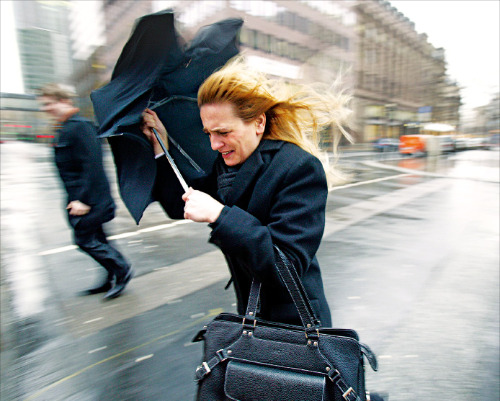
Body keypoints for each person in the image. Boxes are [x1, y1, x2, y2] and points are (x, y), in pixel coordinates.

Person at [141, 58, 352, 326]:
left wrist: (220, 215)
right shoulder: (227, 165)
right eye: (208, 133)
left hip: (296, 325)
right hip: (252, 315)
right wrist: (161, 146)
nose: (215, 144)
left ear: (258, 123)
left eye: (223, 132)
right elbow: (178, 203)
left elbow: (285, 265)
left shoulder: (299, 168)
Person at [38, 83, 133, 300]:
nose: (46, 109)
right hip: (80, 198)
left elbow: (93, 166)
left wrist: (83, 200)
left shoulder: (80, 127)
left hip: (90, 199)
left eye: (49, 103)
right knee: (99, 239)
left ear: (64, 101)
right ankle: (109, 279)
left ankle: (122, 269)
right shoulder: (65, 128)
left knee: (84, 239)